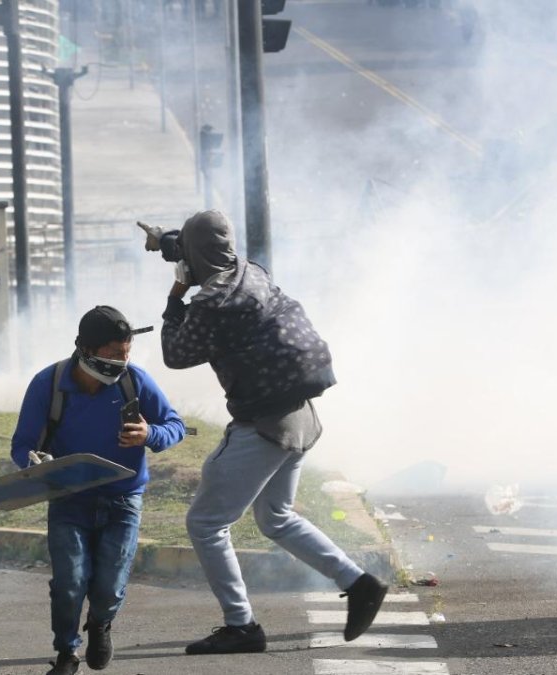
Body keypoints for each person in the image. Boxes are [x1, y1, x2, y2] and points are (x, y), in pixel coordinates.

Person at [156, 210, 388, 655]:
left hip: (262, 425)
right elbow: (207, 251)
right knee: (275, 517)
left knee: (205, 524)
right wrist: (175, 245)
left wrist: (177, 292)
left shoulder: (211, 304)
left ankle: (241, 625)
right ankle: (358, 583)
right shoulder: (253, 273)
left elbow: (175, 353)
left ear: (193, 256)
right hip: (300, 415)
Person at [11, 306, 187, 675]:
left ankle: (101, 623)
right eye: (112, 353)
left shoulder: (135, 381)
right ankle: (66, 653)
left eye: (126, 353)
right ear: (85, 348)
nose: (121, 362)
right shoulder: (49, 383)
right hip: (68, 499)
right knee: (69, 582)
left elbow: (175, 425)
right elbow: (22, 444)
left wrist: (150, 434)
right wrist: (34, 462)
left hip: (124, 499)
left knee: (109, 585)